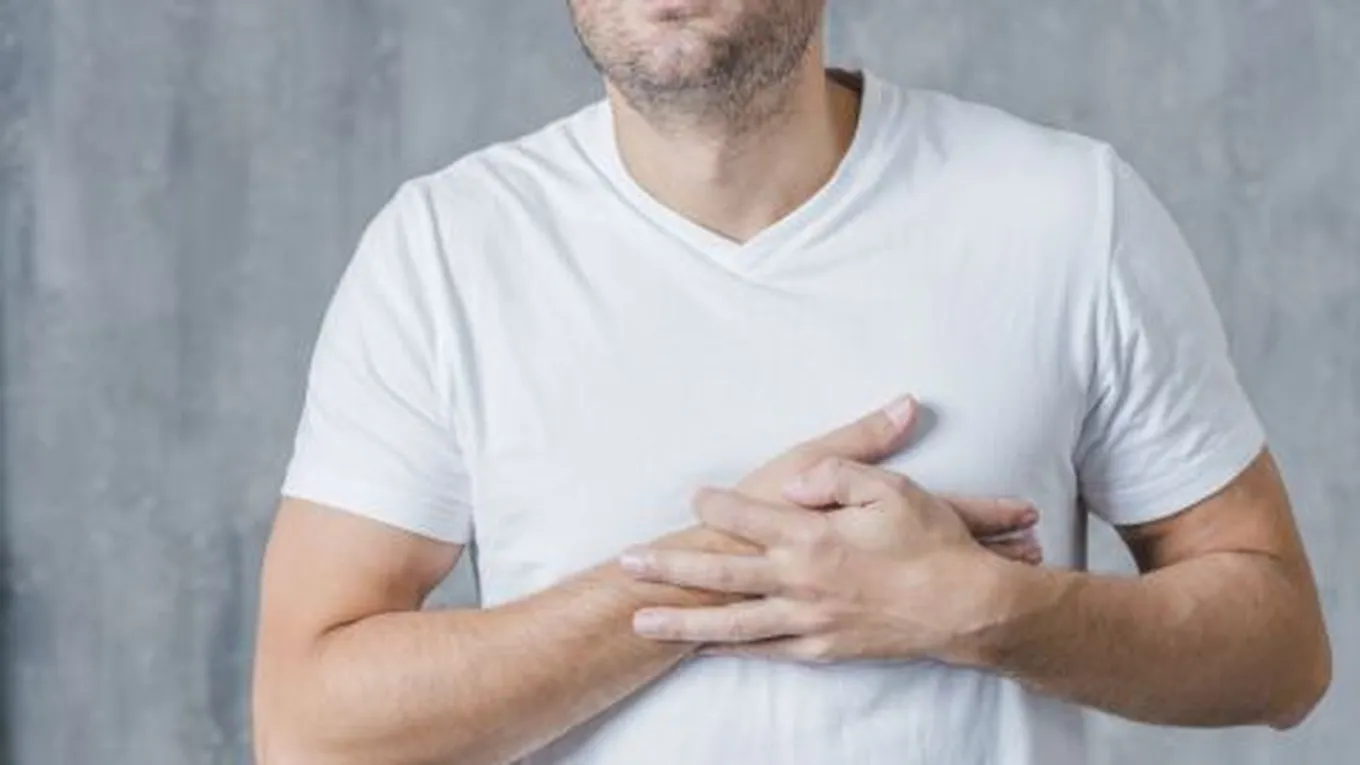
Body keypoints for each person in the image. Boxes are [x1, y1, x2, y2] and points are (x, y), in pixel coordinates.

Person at [251, 2, 1332, 763]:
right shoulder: (447, 252)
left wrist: (987, 612)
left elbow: (1281, 652)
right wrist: (721, 572)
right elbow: (308, 727)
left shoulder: (1066, 213)